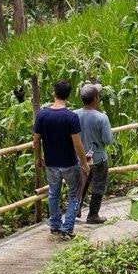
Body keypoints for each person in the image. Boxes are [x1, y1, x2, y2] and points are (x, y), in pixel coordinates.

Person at [32, 80, 90, 239]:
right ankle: (67, 228)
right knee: (74, 194)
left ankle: (55, 225)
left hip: (51, 163)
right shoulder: (71, 117)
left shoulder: (42, 115)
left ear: (54, 93)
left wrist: (38, 158)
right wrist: (84, 164)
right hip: (69, 163)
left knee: (53, 194)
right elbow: (77, 144)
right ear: (69, 95)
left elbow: (36, 140)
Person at [76, 82, 115, 224]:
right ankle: (93, 215)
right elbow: (108, 140)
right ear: (95, 99)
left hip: (80, 158)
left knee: (81, 184)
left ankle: (76, 209)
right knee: (99, 185)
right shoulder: (101, 118)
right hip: (98, 158)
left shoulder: (75, 115)